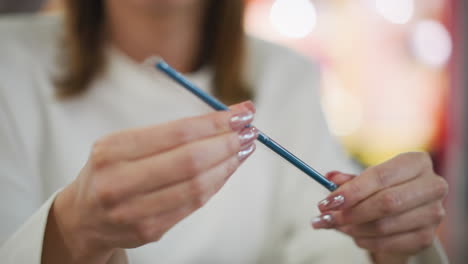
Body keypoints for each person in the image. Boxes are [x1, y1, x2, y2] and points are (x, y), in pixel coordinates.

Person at [0, 1, 449, 263]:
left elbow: (323, 248)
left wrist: (385, 239)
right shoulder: (10, 60)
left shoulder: (284, 74)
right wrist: (71, 230)